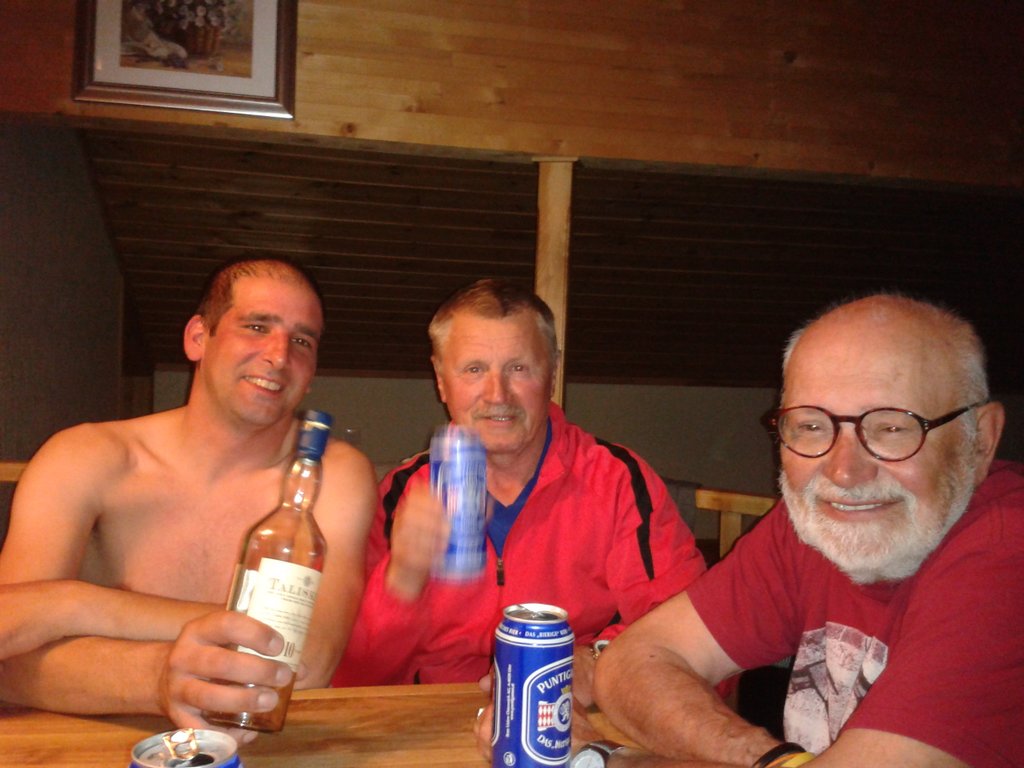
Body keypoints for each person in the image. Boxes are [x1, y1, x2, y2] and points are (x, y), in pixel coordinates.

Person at [591, 293, 1023, 767]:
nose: (844, 473)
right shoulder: (816, 527)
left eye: (892, 428)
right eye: (812, 426)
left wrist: (619, 760)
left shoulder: (1007, 557)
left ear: (981, 441)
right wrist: (773, 760)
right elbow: (633, 664)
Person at [0, 257, 377, 741]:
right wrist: (160, 677)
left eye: (302, 341)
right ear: (198, 337)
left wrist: (68, 607)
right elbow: (8, 645)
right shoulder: (87, 457)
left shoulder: (333, 474)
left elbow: (307, 662)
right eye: (256, 326)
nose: (280, 356)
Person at [331, 278, 706, 703]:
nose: (497, 394)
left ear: (552, 372)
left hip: (568, 714)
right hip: (438, 720)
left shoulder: (617, 481)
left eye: (519, 368)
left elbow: (694, 639)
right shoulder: (400, 495)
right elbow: (350, 681)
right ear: (441, 379)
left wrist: (593, 663)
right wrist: (402, 580)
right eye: (474, 369)